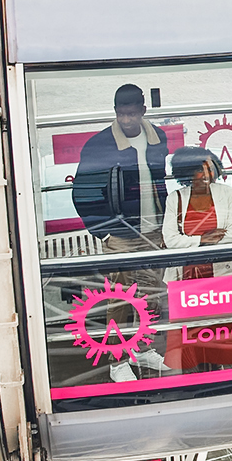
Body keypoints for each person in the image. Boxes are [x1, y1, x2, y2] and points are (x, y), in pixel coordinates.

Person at [71, 83, 171, 378]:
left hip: (153, 231)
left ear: (143, 111)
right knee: (119, 300)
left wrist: (166, 224)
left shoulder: (158, 138)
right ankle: (117, 361)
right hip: (120, 235)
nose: (126, 120)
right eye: (120, 114)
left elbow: (160, 181)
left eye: (131, 114)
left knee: (151, 295)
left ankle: (142, 348)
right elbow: (83, 193)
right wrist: (103, 232)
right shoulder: (99, 145)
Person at [162, 148, 232, 370]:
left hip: (219, 275)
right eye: (199, 169)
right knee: (191, 336)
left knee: (219, 334)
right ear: (186, 173)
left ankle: (218, 375)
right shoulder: (175, 198)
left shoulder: (227, 194)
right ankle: (195, 378)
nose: (206, 174)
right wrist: (201, 241)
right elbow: (170, 240)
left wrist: (191, 240)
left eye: (210, 167)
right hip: (186, 278)